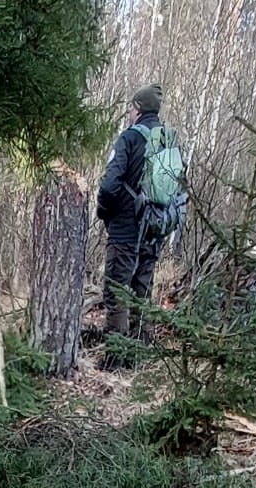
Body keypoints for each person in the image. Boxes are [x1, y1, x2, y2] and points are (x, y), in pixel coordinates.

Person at [96, 84, 169, 337]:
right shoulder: (167, 140)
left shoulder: (129, 137)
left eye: (131, 106)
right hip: (155, 228)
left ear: (138, 109)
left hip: (125, 228)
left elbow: (109, 185)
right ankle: (140, 353)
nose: (129, 111)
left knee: (117, 291)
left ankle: (116, 358)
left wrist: (104, 212)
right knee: (142, 292)